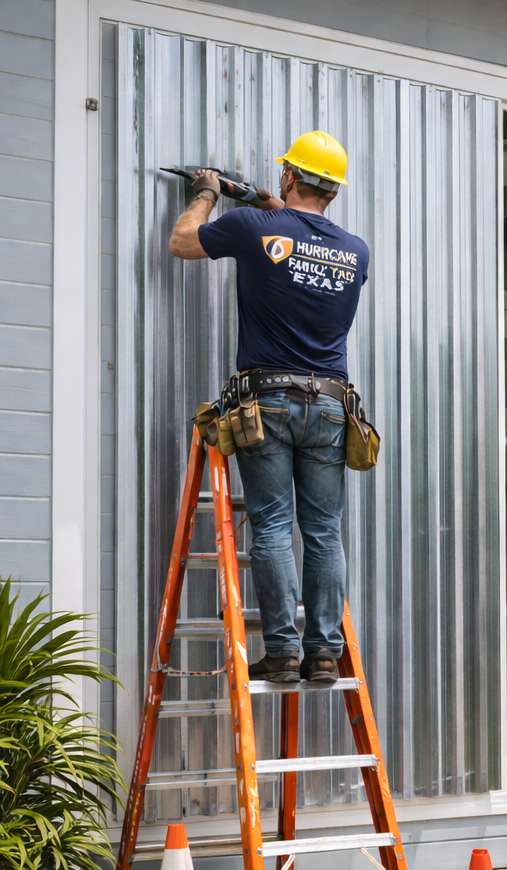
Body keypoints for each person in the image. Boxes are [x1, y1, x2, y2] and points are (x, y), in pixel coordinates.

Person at [168, 131, 368, 686]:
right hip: (330, 405)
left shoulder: (253, 228)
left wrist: (207, 193)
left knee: (275, 525)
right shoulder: (356, 250)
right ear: (333, 190)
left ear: (289, 176)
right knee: (324, 530)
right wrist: (270, 203)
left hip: (268, 401)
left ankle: (281, 651)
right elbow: (304, 241)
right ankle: (324, 653)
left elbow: (183, 243)